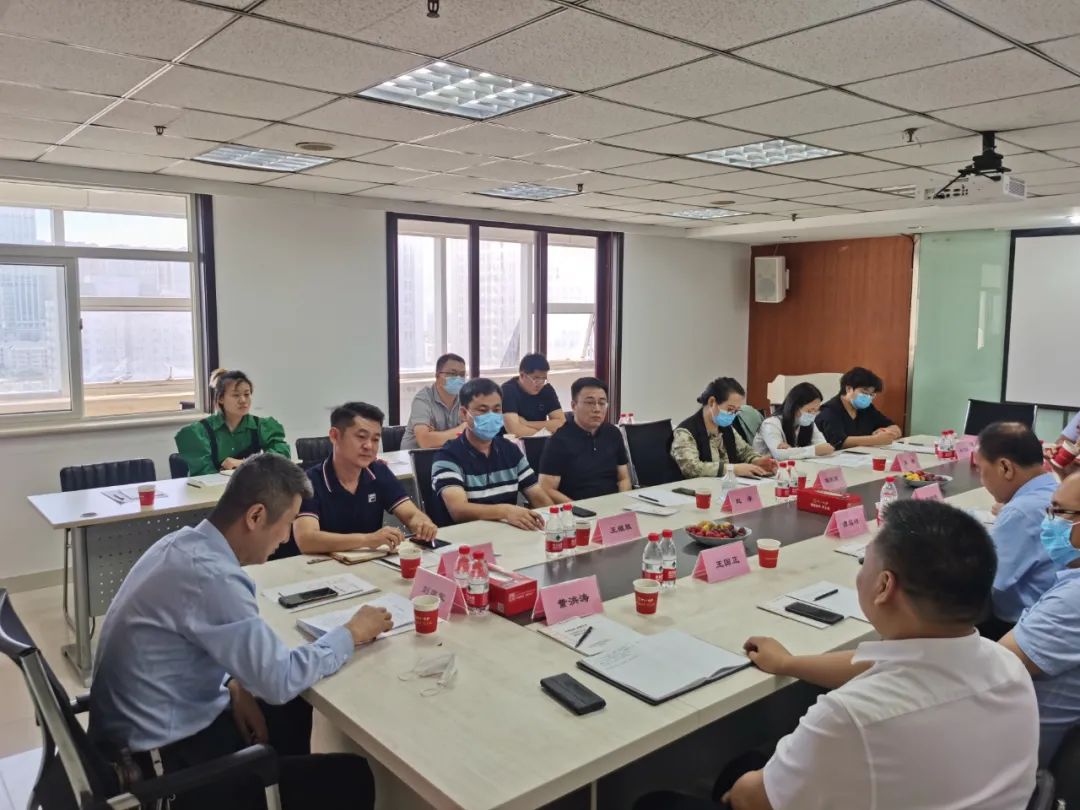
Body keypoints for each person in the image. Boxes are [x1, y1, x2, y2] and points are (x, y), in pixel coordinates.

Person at [636, 500, 1037, 810]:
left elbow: (751, 799)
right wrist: (790, 663)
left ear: (884, 586)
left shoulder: (852, 716)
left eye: (865, 561)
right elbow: (882, 665)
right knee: (748, 762)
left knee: (665, 800)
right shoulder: (1007, 666)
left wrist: (744, 786)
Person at [89, 454, 392, 810]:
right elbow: (279, 680)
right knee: (351, 776)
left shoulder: (182, 545)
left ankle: (275, 783)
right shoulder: (213, 577)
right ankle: (269, 789)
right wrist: (351, 632)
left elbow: (196, 643)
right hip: (163, 771)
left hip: (142, 737)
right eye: (287, 523)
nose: (286, 537)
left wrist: (234, 683)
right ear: (256, 516)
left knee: (291, 709)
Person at [1000, 471, 1080, 767]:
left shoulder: (1073, 601)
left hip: (1011, 759)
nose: (1049, 522)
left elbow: (989, 667)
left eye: (1060, 512)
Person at [289, 402, 438, 557]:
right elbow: (306, 539)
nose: (369, 446)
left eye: (375, 439)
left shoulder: (378, 472)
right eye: (361, 437)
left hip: (368, 562)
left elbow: (411, 515)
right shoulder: (309, 482)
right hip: (320, 566)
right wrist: (367, 540)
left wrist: (423, 524)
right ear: (334, 436)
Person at [430, 377, 553, 529]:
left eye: (496, 410)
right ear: (463, 413)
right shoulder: (447, 457)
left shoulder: (510, 450)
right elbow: (458, 510)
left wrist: (554, 520)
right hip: (463, 538)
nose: (491, 416)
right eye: (482, 410)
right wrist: (505, 511)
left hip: (507, 535)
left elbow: (539, 497)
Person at [974, 422, 1057, 631]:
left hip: (1021, 626)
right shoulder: (1057, 490)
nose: (982, 481)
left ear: (1005, 467)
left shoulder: (1020, 512)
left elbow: (989, 583)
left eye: (981, 470)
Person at [175, 368, 290, 476]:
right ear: (221, 398)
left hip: (251, 487)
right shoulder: (200, 432)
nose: (243, 400)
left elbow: (282, 456)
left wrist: (243, 463)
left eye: (247, 394)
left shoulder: (262, 426)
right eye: (236, 395)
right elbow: (203, 476)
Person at [538, 377, 631, 502]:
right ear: (574, 406)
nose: (597, 409)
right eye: (590, 403)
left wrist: (621, 502)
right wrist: (578, 508)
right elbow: (547, 489)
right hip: (577, 508)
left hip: (613, 506)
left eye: (602, 403)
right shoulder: (558, 441)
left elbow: (623, 478)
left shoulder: (613, 433)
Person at [671, 377, 777, 480]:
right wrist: (733, 469)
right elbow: (691, 468)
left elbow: (745, 451)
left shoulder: (726, 427)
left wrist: (756, 461)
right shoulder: (685, 432)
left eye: (736, 411)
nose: (733, 415)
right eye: (730, 409)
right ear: (712, 402)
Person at [814, 366, 902, 449]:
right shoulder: (829, 410)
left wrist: (886, 432)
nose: (868, 397)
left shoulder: (867, 408)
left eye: (872, 395)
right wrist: (876, 439)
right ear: (849, 389)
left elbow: (895, 427)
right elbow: (838, 442)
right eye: (864, 392)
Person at [401, 353, 468, 451]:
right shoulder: (423, 399)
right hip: (414, 456)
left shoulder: (465, 398)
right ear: (437, 376)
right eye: (452, 374)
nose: (458, 378)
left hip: (446, 454)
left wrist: (435, 436)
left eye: (462, 375)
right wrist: (461, 430)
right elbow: (425, 441)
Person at [752, 382, 835, 461]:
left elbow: (824, 447)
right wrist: (814, 450)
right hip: (763, 468)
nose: (813, 415)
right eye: (809, 410)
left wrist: (792, 450)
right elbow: (779, 455)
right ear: (795, 407)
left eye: (816, 411)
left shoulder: (808, 422)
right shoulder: (771, 424)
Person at [501, 353, 566, 437]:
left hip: (543, 441)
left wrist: (527, 423)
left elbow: (561, 424)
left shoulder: (546, 389)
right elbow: (514, 430)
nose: (540, 384)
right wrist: (547, 433)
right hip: (514, 442)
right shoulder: (508, 390)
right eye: (536, 379)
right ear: (522, 375)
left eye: (544, 379)